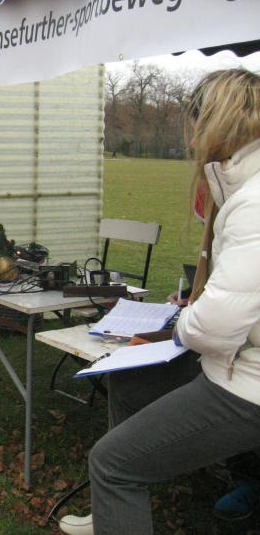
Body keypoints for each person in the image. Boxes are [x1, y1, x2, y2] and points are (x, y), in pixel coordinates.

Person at [60, 68, 260, 535]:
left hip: (247, 380)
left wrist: (182, 322)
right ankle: (114, 511)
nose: (191, 141)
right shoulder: (243, 189)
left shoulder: (252, 202)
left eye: (196, 126)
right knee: (130, 381)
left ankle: (118, 492)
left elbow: (213, 329)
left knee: (111, 463)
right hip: (237, 360)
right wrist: (193, 304)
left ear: (219, 124)